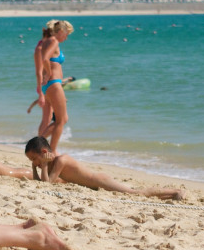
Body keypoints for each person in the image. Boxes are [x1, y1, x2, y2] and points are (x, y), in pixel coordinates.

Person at [24, 136, 185, 200]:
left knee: (135, 193)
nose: (35, 162)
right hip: (95, 186)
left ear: (44, 152)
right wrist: (35, 168)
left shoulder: (60, 160)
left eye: (34, 159)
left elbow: (48, 184)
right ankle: (169, 196)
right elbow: (41, 183)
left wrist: (43, 165)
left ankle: (175, 191)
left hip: (100, 181)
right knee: (135, 194)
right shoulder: (49, 164)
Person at [39, 20, 73, 153]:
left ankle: (39, 144)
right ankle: (51, 151)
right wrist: (48, 73)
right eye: (66, 34)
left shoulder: (46, 41)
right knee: (61, 120)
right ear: (61, 32)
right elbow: (45, 59)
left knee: (63, 119)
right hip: (53, 83)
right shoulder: (53, 41)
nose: (66, 38)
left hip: (51, 85)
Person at [33, 22, 56, 138]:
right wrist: (41, 93)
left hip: (50, 84)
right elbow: (39, 72)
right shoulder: (40, 48)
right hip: (44, 86)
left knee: (48, 117)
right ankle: (40, 141)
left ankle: (40, 141)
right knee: (47, 118)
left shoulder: (47, 46)